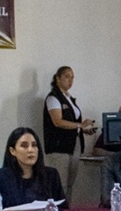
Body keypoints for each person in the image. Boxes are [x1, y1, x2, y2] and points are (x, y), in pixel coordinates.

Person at [42, 66, 96, 200]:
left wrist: (83, 130)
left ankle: (67, 209)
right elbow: (57, 121)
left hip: (74, 143)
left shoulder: (69, 98)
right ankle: (57, 210)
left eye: (72, 77)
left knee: (70, 182)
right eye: (66, 77)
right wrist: (80, 125)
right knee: (60, 183)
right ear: (57, 78)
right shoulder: (53, 98)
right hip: (59, 146)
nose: (70, 80)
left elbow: (72, 123)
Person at [0, 127, 66, 209]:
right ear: (12, 151)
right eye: (24, 146)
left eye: (34, 145)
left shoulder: (51, 175)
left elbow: (63, 209)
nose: (30, 150)